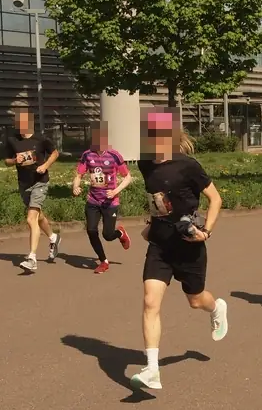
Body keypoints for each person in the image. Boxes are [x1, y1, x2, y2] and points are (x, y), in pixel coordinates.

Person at [130, 109, 226, 391]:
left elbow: (215, 198)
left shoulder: (188, 166)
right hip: (159, 244)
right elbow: (158, 199)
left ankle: (217, 307)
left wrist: (206, 232)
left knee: (196, 300)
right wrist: (152, 222)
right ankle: (152, 370)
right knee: (150, 302)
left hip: (188, 244)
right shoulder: (144, 163)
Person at [71, 122, 134, 274]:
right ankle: (103, 261)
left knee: (107, 235)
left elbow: (128, 177)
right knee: (91, 230)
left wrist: (115, 191)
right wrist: (75, 186)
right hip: (93, 200)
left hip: (110, 202)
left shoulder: (114, 155)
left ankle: (119, 233)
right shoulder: (87, 154)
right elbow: (79, 174)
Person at [4, 111, 62, 272]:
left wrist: (45, 166)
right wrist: (15, 161)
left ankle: (32, 258)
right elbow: (6, 160)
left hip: (40, 182)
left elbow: (55, 153)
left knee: (31, 219)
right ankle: (53, 237)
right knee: (38, 215)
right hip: (24, 184)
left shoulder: (41, 139)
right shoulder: (13, 140)